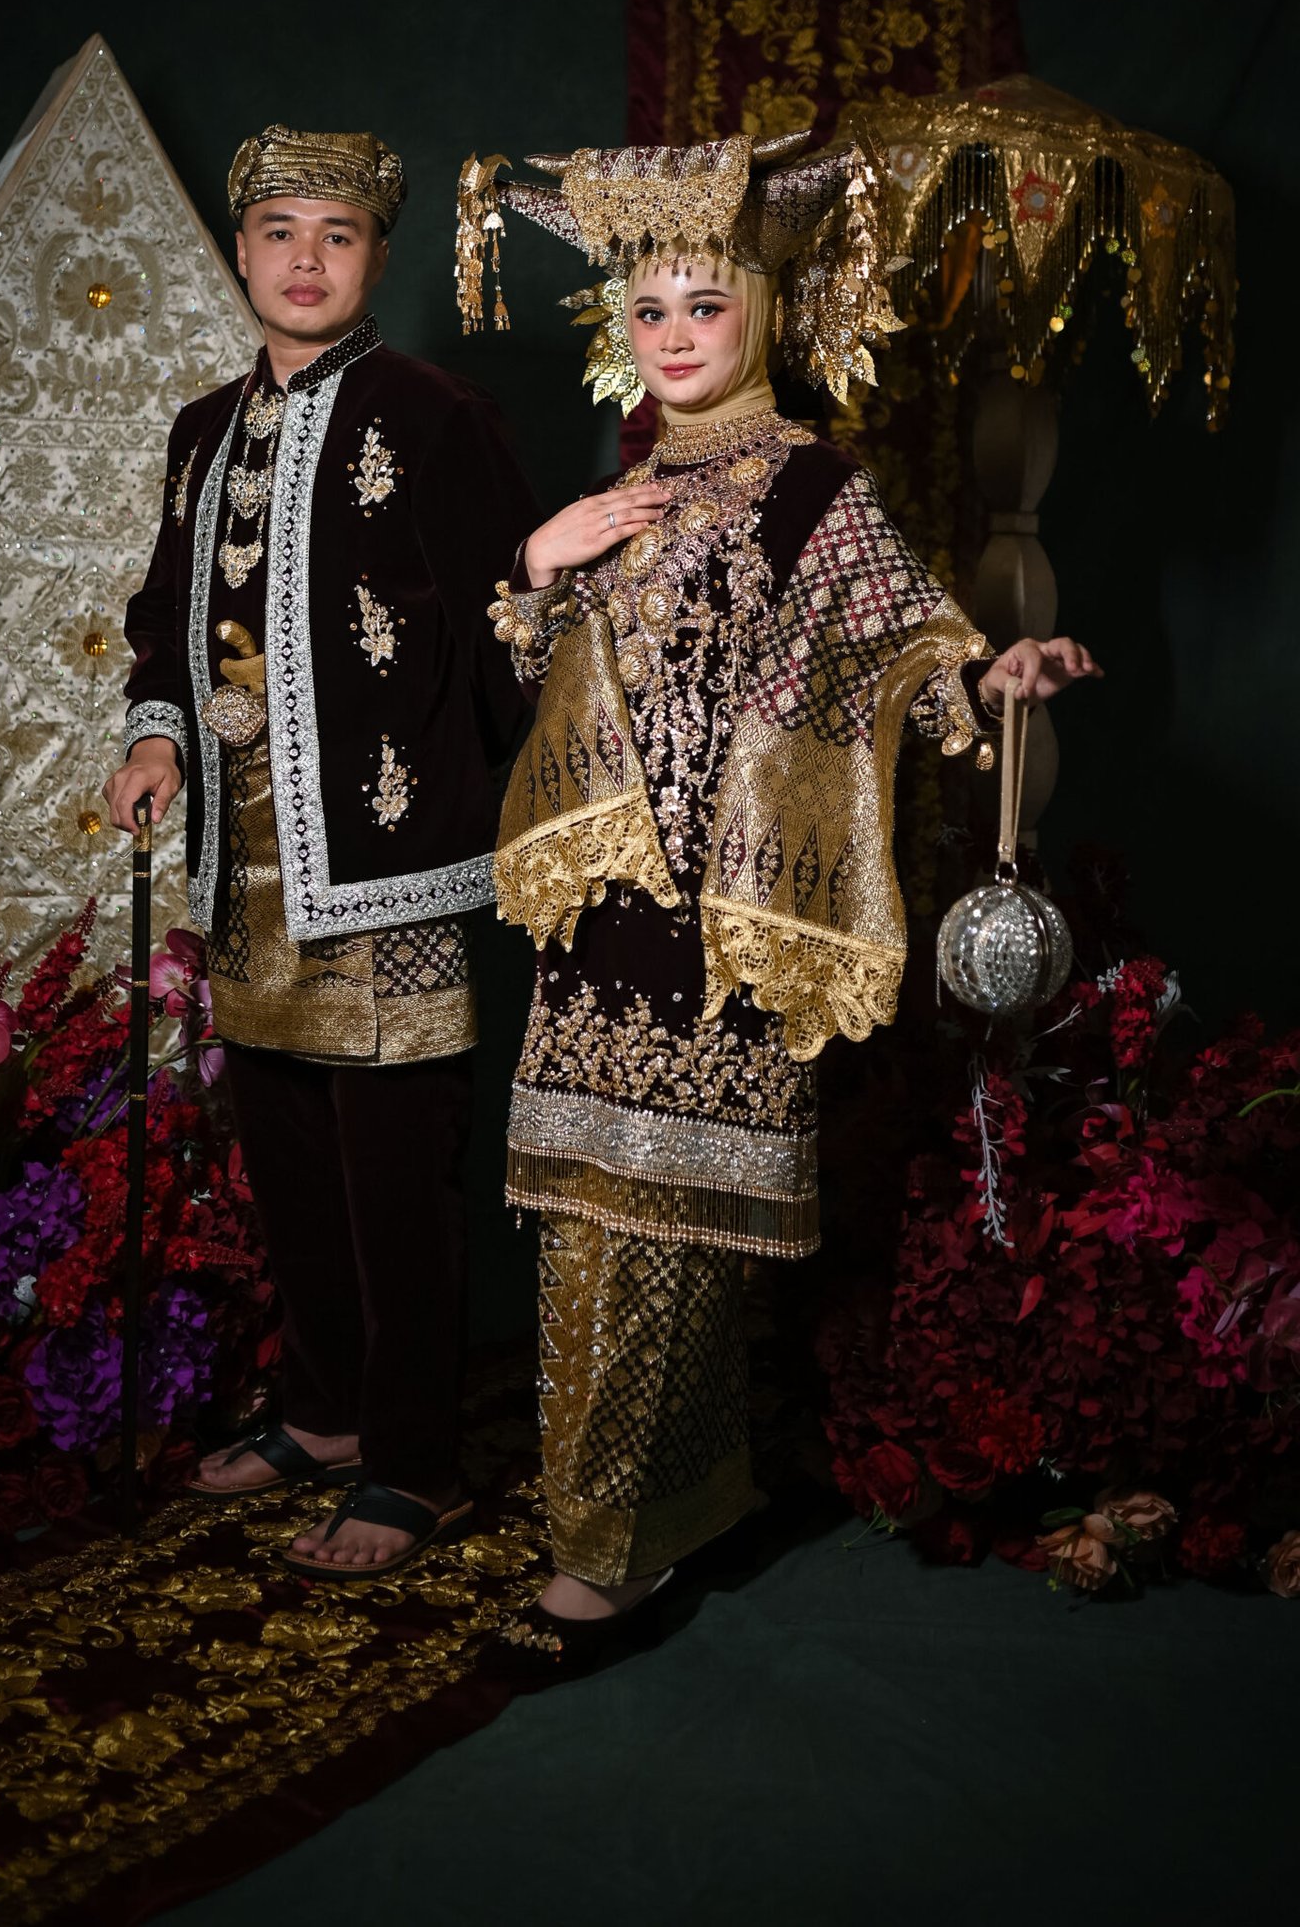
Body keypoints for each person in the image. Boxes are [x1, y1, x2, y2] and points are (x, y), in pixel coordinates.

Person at [458, 131, 1101, 1678]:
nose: (675, 334)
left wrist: (995, 672)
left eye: (705, 303)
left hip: (721, 913)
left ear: (759, 309)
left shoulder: (811, 482)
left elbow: (905, 642)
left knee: (659, 1225)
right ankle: (689, 1499)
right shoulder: (626, 487)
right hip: (602, 907)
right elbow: (534, 698)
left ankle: (605, 1558)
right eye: (650, 308)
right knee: (590, 1215)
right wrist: (537, 564)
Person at [105, 125, 538, 1579]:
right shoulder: (199, 431)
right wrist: (158, 738)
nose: (305, 259)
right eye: (280, 232)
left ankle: (415, 1462)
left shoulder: (435, 413)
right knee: (287, 1150)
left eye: (336, 235)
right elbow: (163, 612)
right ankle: (329, 1411)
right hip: (243, 859)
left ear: (376, 257)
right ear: (241, 251)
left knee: (394, 1170)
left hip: (387, 855)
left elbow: (512, 619)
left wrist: (495, 792)